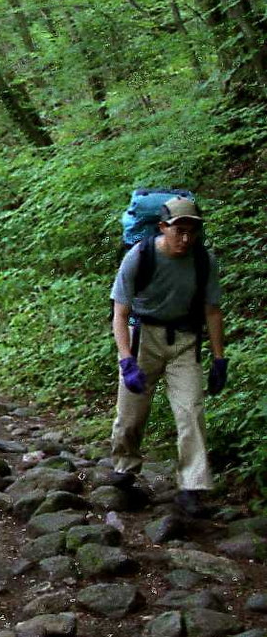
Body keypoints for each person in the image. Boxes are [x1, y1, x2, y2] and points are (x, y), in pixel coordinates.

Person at [109, 196, 227, 517]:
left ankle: (192, 485)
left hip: (185, 339)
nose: (185, 239)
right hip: (143, 337)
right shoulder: (140, 256)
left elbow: (212, 311)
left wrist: (219, 359)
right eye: (179, 231)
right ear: (163, 228)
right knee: (131, 410)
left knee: (191, 410)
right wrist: (125, 360)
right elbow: (119, 313)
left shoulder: (204, 261)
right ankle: (124, 466)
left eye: (192, 232)